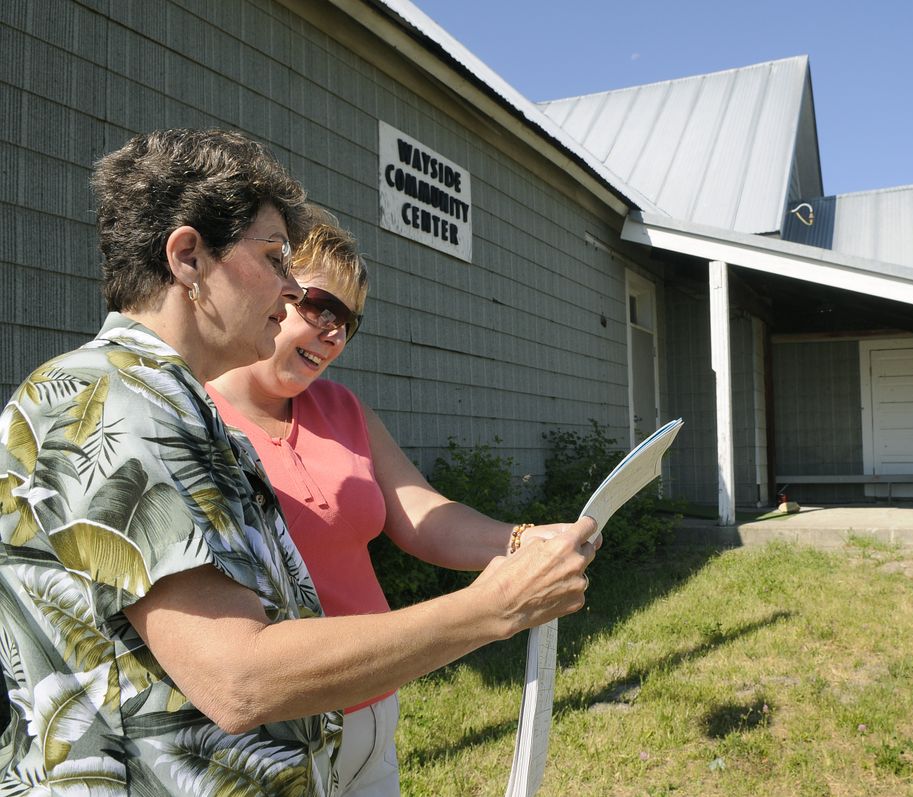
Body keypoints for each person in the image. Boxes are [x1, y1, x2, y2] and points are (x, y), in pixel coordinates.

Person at [0, 129, 596, 796]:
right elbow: (238, 678)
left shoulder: (165, 402)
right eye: (275, 258)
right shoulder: (113, 403)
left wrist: (512, 545)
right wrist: (493, 607)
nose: (289, 290)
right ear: (189, 256)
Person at [208, 217, 588, 796]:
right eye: (322, 308)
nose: (335, 335)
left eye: (349, 323)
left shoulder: (342, 409)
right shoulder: (190, 421)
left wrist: (524, 540)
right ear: (272, 288)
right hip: (275, 731)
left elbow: (424, 517)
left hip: (374, 702)